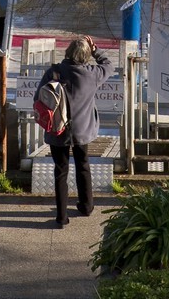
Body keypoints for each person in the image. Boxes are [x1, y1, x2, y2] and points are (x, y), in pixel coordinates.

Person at [35, 35, 112, 227]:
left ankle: (61, 217)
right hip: (82, 131)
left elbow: (38, 97)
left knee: (60, 171)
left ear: (67, 52)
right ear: (86, 56)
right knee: (83, 166)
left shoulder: (53, 72)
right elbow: (109, 65)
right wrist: (96, 51)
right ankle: (86, 206)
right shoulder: (92, 74)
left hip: (57, 130)